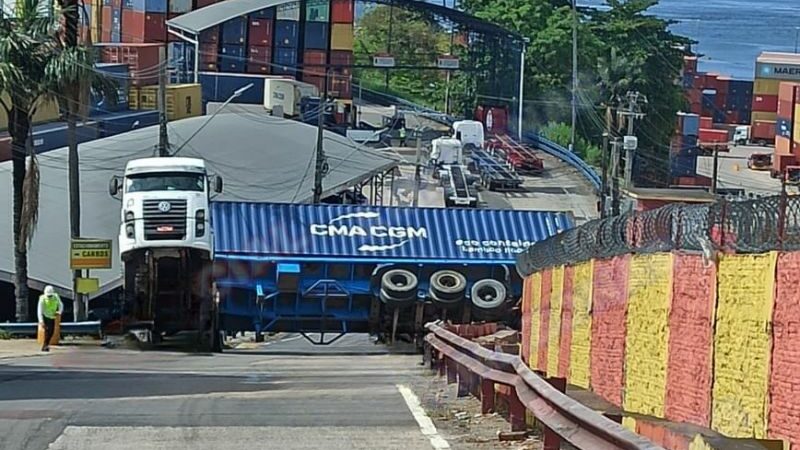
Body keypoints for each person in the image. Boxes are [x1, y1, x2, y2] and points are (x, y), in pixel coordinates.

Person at [37, 285, 63, 352]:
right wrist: (41, 321)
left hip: (52, 316)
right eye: (48, 296)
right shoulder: (42, 298)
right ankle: (45, 345)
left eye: (50, 295)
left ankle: (46, 344)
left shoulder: (56, 296)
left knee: (51, 331)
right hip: (45, 316)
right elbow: (39, 310)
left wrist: (59, 312)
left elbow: (60, 305)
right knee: (47, 331)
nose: (49, 297)